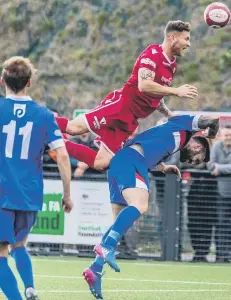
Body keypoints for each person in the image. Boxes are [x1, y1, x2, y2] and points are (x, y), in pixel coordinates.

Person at [82, 114, 219, 299]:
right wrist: (212, 132)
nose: (194, 160)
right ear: (198, 144)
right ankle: (107, 247)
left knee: (120, 221)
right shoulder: (186, 128)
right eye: (199, 155)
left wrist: (163, 168)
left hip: (121, 163)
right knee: (140, 204)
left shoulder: (173, 140)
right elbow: (213, 120)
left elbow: (151, 143)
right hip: (131, 160)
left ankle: (95, 269)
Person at [55, 20, 198, 173]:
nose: (188, 44)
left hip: (129, 120)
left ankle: (54, 144)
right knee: (73, 128)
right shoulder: (152, 54)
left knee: (101, 163)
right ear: (173, 37)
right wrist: (176, 91)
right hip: (120, 107)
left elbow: (155, 95)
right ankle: (39, 120)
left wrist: (169, 114)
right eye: (186, 39)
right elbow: (144, 85)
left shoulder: (172, 65)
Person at [0, 57, 73, 300]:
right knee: (19, 245)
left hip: (1, 193)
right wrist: (67, 195)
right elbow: (62, 157)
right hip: (29, 194)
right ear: (29, 82)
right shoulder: (44, 115)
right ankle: (30, 287)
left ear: (2, 81)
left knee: (0, 253)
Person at [208, 125, 231, 263]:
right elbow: (210, 164)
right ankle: (221, 255)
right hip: (222, 193)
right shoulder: (216, 146)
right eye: (226, 135)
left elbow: (216, 167)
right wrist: (216, 167)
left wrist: (220, 168)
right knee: (222, 224)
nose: (228, 138)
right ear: (222, 136)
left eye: (230, 136)